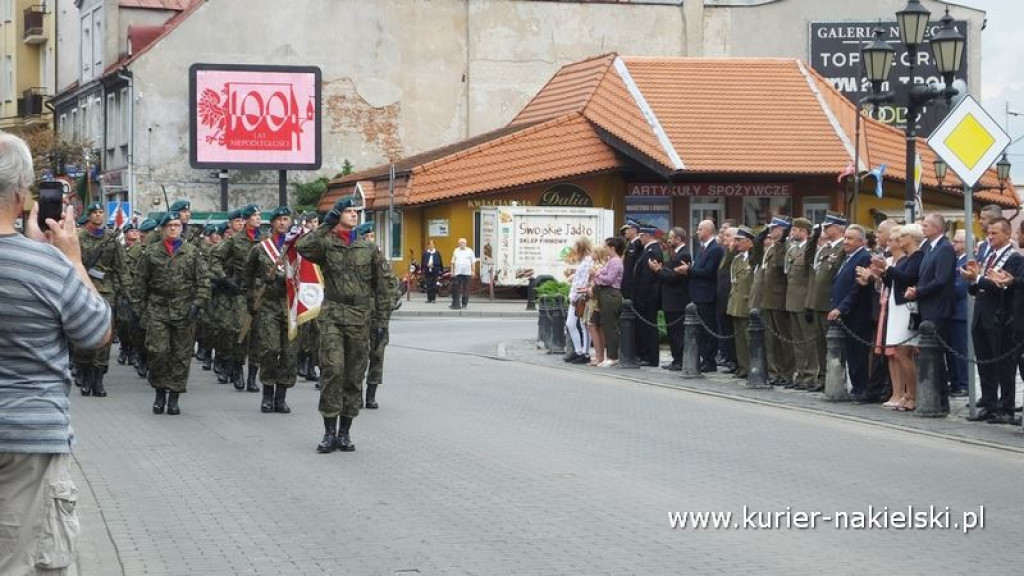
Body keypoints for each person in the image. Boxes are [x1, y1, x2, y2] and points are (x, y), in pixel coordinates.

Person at [0, 133, 112, 576]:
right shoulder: (48, 267)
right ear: (21, 194)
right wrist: (73, 260)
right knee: (25, 560)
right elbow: (97, 332)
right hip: (29, 438)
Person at [296, 196, 390, 453]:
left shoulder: (368, 248)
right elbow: (303, 248)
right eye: (347, 211)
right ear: (338, 215)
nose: (353, 215)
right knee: (332, 371)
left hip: (360, 317)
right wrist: (325, 225)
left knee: (353, 376)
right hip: (334, 315)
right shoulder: (326, 244)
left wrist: (381, 319)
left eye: (355, 211)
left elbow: (384, 287)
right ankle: (328, 432)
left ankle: (345, 432)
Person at [135, 211, 210, 415]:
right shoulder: (151, 253)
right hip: (157, 308)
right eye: (170, 225)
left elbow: (204, 281)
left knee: (181, 355)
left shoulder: (192, 252)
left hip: (184, 310)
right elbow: (139, 283)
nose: (174, 228)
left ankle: (174, 396)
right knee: (158, 352)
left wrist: (198, 303)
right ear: (162, 229)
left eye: (177, 225)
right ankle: (160, 393)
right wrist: (141, 311)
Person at [962, 218, 1022, 424]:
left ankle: (1006, 407)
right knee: (984, 361)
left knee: (1003, 364)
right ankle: (989, 403)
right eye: (988, 233)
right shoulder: (988, 255)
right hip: (981, 312)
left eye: (994, 233)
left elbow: (1002, 285)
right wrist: (972, 279)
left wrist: (978, 279)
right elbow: (978, 286)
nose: (990, 237)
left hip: (999, 316)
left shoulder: (1013, 258)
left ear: (1007, 234)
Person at [246, 206, 299, 414]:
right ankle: (267, 393)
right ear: (273, 223)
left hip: (290, 305)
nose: (283, 223)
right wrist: (252, 296)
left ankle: (281, 397)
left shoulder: (298, 248)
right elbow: (248, 274)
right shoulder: (261, 248)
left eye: (286, 219)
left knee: (289, 353)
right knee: (270, 349)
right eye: (279, 219)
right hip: (268, 304)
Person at [74, 201, 129, 397]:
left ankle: (98, 379)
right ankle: (85, 376)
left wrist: (128, 293)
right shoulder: (78, 238)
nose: (98, 215)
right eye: (94, 212)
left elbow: (122, 268)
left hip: (106, 292)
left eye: (100, 212)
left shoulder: (112, 240)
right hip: (83, 291)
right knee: (83, 335)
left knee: (104, 337)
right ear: (88, 216)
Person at [904, 213, 956, 414]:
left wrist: (919, 291)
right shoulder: (927, 247)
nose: (922, 228)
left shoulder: (945, 249)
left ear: (936, 227)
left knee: (936, 356)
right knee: (927, 356)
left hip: (939, 309)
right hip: (926, 307)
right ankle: (933, 397)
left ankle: (942, 401)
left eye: (925, 225)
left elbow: (941, 280)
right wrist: (916, 288)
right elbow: (923, 275)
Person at [211, 204, 262, 391]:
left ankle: (252, 377)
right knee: (242, 331)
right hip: (241, 291)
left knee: (258, 334)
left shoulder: (265, 239)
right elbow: (214, 258)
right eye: (254, 215)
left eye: (259, 215)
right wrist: (224, 279)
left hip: (261, 292)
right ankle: (238, 368)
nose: (258, 218)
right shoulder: (234, 240)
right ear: (246, 219)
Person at [874, 225, 924, 411]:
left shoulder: (918, 257)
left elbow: (908, 277)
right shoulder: (907, 258)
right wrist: (883, 272)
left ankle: (911, 395)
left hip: (907, 307)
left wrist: (887, 268)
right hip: (897, 305)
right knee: (899, 353)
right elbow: (894, 280)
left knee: (904, 353)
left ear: (912, 238)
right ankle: (905, 394)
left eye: (903, 236)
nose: (899, 239)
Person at [828, 225, 873, 399]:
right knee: (850, 353)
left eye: (850, 238)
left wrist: (841, 308)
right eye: (845, 238)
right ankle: (855, 387)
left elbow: (857, 289)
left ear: (861, 241)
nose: (846, 241)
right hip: (846, 313)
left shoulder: (863, 257)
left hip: (857, 314)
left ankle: (861, 389)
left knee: (858, 353)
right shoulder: (847, 258)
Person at [357, 222, 399, 409]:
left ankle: (371, 394)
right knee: (358, 356)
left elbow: (391, 287)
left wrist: (387, 310)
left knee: (377, 355)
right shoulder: (356, 261)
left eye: (373, 236)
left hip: (380, 315)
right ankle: (355, 393)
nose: (371, 239)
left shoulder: (381, 261)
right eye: (368, 236)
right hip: (360, 315)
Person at [806, 214, 847, 391]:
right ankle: (822, 377)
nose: (825, 230)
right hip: (817, 303)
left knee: (831, 344)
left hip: (829, 303)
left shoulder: (842, 249)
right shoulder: (823, 250)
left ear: (838, 228)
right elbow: (811, 268)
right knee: (819, 344)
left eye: (828, 226)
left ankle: (832, 377)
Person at [678, 220, 723, 372]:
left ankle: (710, 360)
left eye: (700, 229)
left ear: (708, 231)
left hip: (707, 295)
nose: (697, 232)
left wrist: (689, 271)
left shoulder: (715, 249)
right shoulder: (702, 248)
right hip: (697, 294)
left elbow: (709, 272)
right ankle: (704, 357)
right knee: (700, 330)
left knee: (708, 328)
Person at [649, 226, 691, 371]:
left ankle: (680, 360)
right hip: (670, 299)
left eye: (671, 238)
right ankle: (675, 359)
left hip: (677, 299)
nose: (668, 240)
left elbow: (673, 278)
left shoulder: (684, 255)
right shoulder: (674, 254)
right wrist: (660, 270)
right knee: (672, 331)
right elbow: (668, 273)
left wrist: (658, 270)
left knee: (677, 332)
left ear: (678, 239)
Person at [759, 216, 793, 388]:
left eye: (775, 229)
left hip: (779, 299)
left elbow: (781, 265)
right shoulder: (771, 247)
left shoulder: (785, 247)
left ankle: (787, 372)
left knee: (783, 339)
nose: (771, 232)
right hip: (769, 299)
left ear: (783, 229)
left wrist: (781, 241)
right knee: (772, 339)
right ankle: (775, 371)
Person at [784, 218, 815, 390]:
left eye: (795, 230)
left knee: (807, 340)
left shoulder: (809, 251)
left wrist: (809, 302)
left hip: (803, 301)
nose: (792, 232)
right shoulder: (792, 249)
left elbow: (810, 278)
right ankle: (800, 372)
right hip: (791, 300)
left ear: (804, 232)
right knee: (796, 340)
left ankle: (810, 375)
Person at [632, 225, 664, 367]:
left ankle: (651, 357)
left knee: (649, 327)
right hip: (645, 295)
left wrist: (642, 297)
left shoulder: (653, 250)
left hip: (648, 296)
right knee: (645, 327)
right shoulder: (647, 250)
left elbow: (648, 277)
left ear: (647, 235)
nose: (640, 239)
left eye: (641, 236)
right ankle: (646, 354)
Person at [727, 227, 756, 379]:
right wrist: (730, 251)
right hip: (736, 302)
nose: (736, 243)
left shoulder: (753, 258)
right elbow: (725, 268)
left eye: (739, 240)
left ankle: (753, 366)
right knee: (739, 339)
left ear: (749, 242)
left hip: (747, 302)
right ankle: (743, 366)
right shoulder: (737, 258)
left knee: (749, 338)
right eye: (736, 240)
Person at [592, 237, 624, 367]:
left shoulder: (616, 262)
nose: (604, 249)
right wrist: (598, 275)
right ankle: (609, 355)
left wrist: (596, 275)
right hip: (605, 294)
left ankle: (613, 357)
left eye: (606, 247)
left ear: (612, 248)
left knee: (611, 326)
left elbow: (609, 279)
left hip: (611, 294)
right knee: (606, 324)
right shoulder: (610, 261)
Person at [948, 229, 970, 397]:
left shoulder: (968, 262)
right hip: (951, 312)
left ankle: (963, 384)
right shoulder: (955, 260)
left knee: (960, 350)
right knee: (951, 350)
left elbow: (960, 288)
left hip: (960, 312)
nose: (953, 244)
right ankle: (955, 382)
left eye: (957, 241)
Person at [565, 237, 594, 364]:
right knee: (571, 324)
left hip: (580, 297)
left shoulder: (588, 261)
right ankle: (579, 351)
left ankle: (584, 352)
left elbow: (583, 281)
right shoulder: (583, 262)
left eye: (576, 247)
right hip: (576, 296)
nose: (574, 250)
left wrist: (575, 296)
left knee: (583, 325)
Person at [715, 221, 738, 372]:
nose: (724, 237)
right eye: (724, 235)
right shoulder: (725, 253)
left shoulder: (736, 254)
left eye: (729, 235)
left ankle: (734, 361)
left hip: (732, 299)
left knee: (732, 333)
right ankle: (728, 358)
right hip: (722, 298)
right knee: (724, 331)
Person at [450, 237, 475, 309]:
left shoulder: (470, 250)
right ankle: (456, 303)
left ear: (466, 243)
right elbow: (453, 262)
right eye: (460, 243)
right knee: (456, 288)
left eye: (463, 243)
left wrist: (473, 271)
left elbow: (473, 261)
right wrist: (452, 271)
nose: (462, 244)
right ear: (458, 244)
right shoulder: (456, 250)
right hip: (458, 273)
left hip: (467, 273)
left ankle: (464, 303)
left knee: (466, 289)